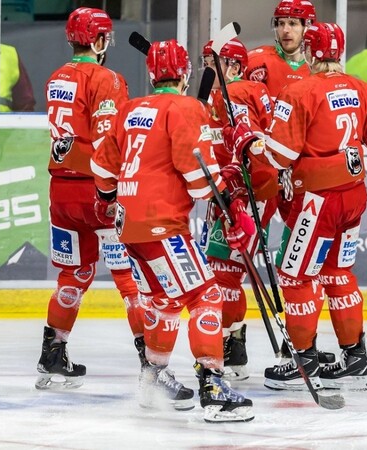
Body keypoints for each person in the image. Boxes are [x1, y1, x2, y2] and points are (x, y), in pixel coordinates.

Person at [91, 38, 256, 423]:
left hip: (129, 225)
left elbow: (102, 168)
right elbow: (200, 179)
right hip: (162, 224)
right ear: (184, 75)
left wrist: (107, 198)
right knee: (205, 294)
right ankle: (213, 387)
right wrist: (229, 202)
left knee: (165, 301)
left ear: (152, 75)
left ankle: (153, 378)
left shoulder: (130, 109)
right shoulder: (185, 107)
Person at [238, 22, 367, 392]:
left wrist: (250, 142)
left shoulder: (300, 91)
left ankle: (303, 359)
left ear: (311, 53)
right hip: (353, 196)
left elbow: (279, 155)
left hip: (316, 202)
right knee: (338, 273)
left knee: (296, 276)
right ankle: (355, 357)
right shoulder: (360, 88)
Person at [35, 7, 143, 391]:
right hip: (96, 191)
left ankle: (52, 354)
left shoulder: (57, 77)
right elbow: (105, 142)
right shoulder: (108, 79)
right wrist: (113, 190)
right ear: (99, 41)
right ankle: (151, 363)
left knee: (74, 274)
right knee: (129, 277)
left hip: (61, 192)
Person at [199, 38, 277, 381]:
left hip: (243, 194)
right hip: (239, 192)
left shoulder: (237, 93)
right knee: (231, 268)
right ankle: (235, 343)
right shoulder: (238, 93)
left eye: (211, 63)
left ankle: (230, 347)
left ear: (232, 65)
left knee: (224, 272)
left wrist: (241, 194)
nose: (205, 70)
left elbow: (250, 145)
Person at [244, 0, 316, 101]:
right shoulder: (255, 61)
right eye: (281, 23)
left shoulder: (319, 69)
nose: (285, 30)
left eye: (292, 23)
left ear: (308, 27)